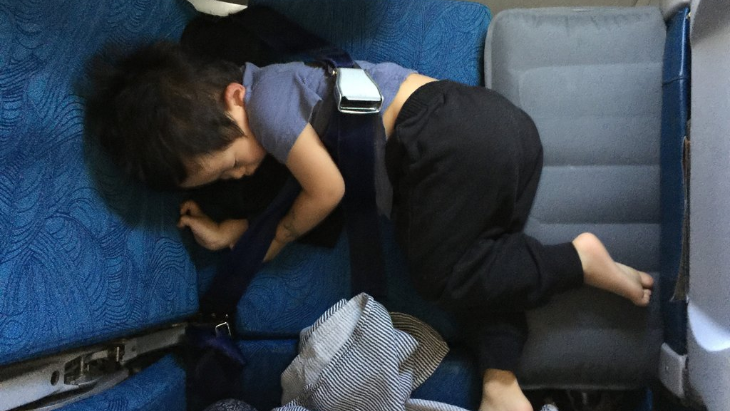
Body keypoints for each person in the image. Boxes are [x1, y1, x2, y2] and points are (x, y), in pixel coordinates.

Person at [85, 41, 654, 411]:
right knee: (479, 262)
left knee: (440, 274)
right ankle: (500, 378)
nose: (241, 173)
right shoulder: (276, 101)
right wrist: (236, 230)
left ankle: (577, 260)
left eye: (231, 163)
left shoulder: (269, 102)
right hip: (494, 137)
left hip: (439, 139)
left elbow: (327, 190)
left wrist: (274, 236)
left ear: (234, 96)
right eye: (226, 177)